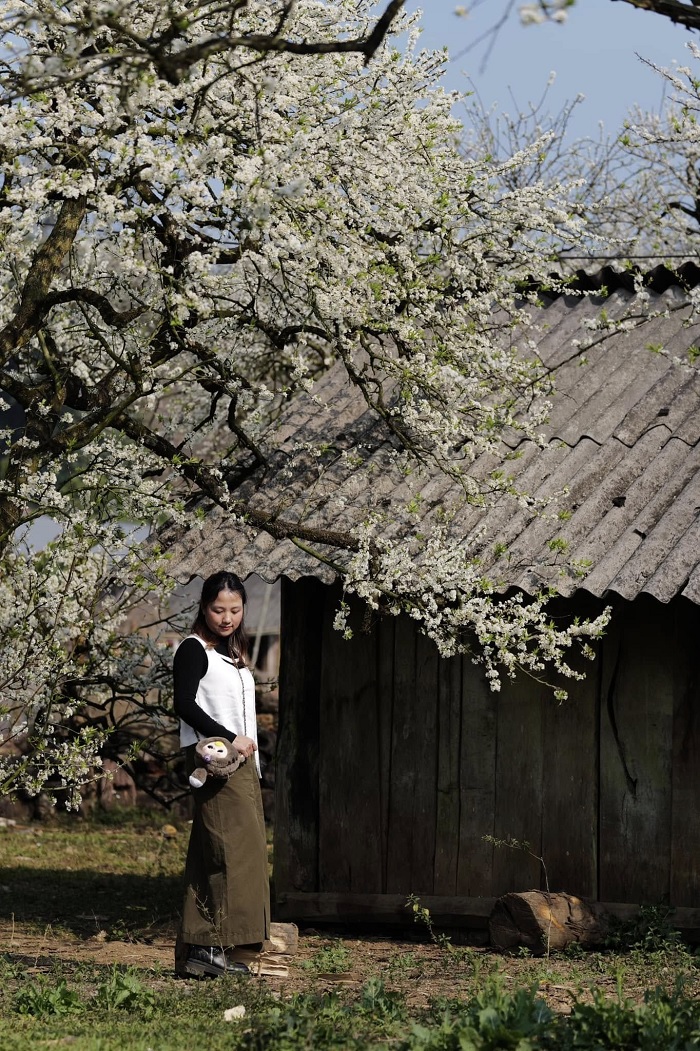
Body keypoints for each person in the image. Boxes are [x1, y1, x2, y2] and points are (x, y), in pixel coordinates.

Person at [172, 570, 270, 978]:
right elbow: (184, 704)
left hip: (241, 766)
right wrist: (231, 737)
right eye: (218, 609)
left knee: (217, 855)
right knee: (232, 857)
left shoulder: (231, 653)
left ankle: (203, 950)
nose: (226, 618)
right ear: (203, 607)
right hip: (216, 765)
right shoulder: (194, 649)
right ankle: (215, 946)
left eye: (234, 609)